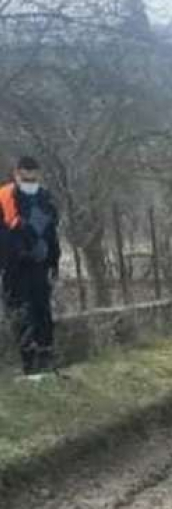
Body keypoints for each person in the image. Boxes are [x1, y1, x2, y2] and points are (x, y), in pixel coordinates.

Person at [0, 156, 61, 376]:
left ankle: (46, 360)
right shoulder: (4, 197)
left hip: (41, 266)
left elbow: (52, 231)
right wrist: (20, 251)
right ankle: (29, 365)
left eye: (33, 177)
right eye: (26, 177)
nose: (30, 181)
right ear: (16, 173)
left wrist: (54, 259)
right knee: (21, 312)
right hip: (14, 268)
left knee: (42, 312)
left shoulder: (45, 197)